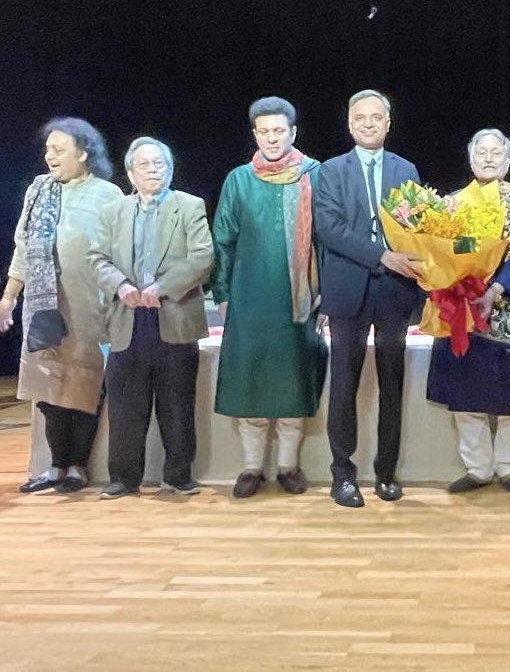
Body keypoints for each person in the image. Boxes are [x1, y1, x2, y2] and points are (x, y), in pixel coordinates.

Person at [211, 97, 328, 499]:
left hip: (301, 302)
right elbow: (222, 242)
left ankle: (289, 467)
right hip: (249, 300)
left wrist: (325, 296)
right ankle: (251, 468)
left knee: (294, 384)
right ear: (255, 134)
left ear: (293, 133)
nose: (272, 138)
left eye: (279, 131)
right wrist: (223, 294)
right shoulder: (238, 180)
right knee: (252, 384)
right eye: (264, 131)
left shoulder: (313, 175)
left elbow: (325, 243)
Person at [0, 118, 123, 493]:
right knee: (48, 386)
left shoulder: (107, 195)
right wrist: (8, 297)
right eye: (48, 149)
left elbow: (121, 251)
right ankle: (55, 468)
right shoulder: (38, 191)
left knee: (85, 385)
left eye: (59, 150)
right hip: (43, 308)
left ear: (83, 154)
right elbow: (23, 247)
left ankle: (78, 468)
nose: (49, 156)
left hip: (89, 307)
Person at [314, 89, 423, 507]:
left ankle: (386, 473)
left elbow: (418, 225)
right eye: (360, 118)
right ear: (349, 123)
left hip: (395, 292)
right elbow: (329, 228)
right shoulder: (331, 170)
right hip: (348, 290)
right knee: (343, 385)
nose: (368, 124)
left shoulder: (405, 168)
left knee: (392, 385)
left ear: (388, 123)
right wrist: (383, 256)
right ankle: (343, 475)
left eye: (376, 118)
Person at [88, 137, 213, 499]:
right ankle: (124, 479)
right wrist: (121, 285)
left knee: (177, 405)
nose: (153, 169)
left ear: (170, 169)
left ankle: (177, 476)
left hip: (173, 315)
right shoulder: (114, 212)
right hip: (127, 318)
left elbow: (202, 257)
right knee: (126, 406)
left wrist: (163, 287)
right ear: (130, 173)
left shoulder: (189, 206)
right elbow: (97, 259)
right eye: (144, 164)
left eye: (159, 163)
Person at [426, 129, 510, 494]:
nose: (490, 158)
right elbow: (449, 252)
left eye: (498, 153)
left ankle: (509, 466)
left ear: (509, 161)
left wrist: (495, 289)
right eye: (483, 152)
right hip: (461, 306)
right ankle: (477, 468)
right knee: (466, 394)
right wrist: (463, 280)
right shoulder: (451, 206)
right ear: (470, 158)